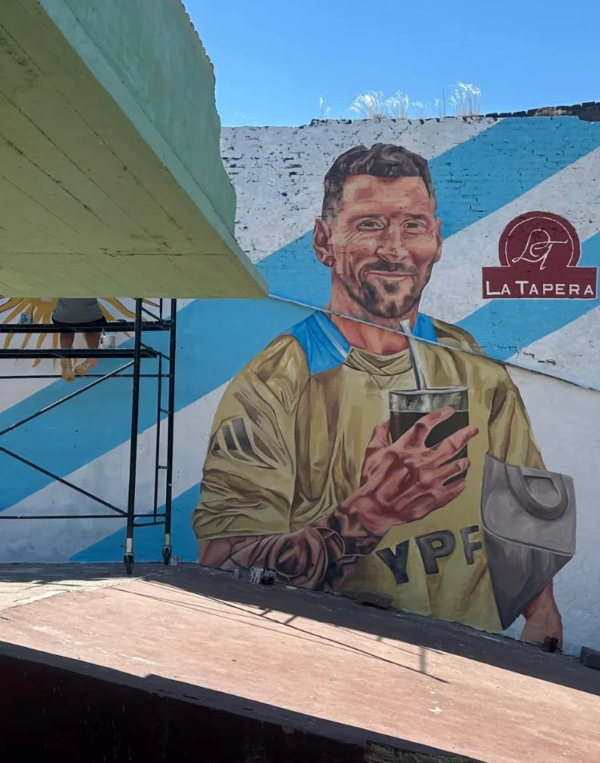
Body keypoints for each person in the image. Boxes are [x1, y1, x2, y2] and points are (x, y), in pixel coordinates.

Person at [192, 143, 566, 642]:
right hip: (347, 665)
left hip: (478, 660)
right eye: (369, 225)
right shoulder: (273, 384)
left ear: (437, 239)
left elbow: (522, 503)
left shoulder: (469, 360)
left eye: (414, 226)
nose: (395, 249)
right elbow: (223, 567)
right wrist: (369, 512)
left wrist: (541, 615)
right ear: (324, 242)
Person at [52, 298, 105, 381]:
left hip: (63, 315)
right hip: (90, 314)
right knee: (93, 326)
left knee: (65, 329)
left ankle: (66, 359)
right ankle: (92, 356)